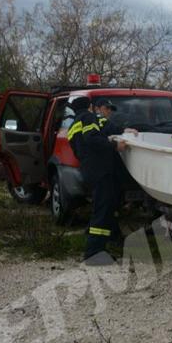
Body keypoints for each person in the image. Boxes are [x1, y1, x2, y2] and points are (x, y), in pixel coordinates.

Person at [67, 95, 126, 265]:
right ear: (91, 107)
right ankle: (94, 253)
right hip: (100, 171)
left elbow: (81, 148)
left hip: (89, 171)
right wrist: (115, 145)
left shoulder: (73, 125)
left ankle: (111, 239)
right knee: (102, 209)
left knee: (105, 205)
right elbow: (92, 138)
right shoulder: (88, 117)